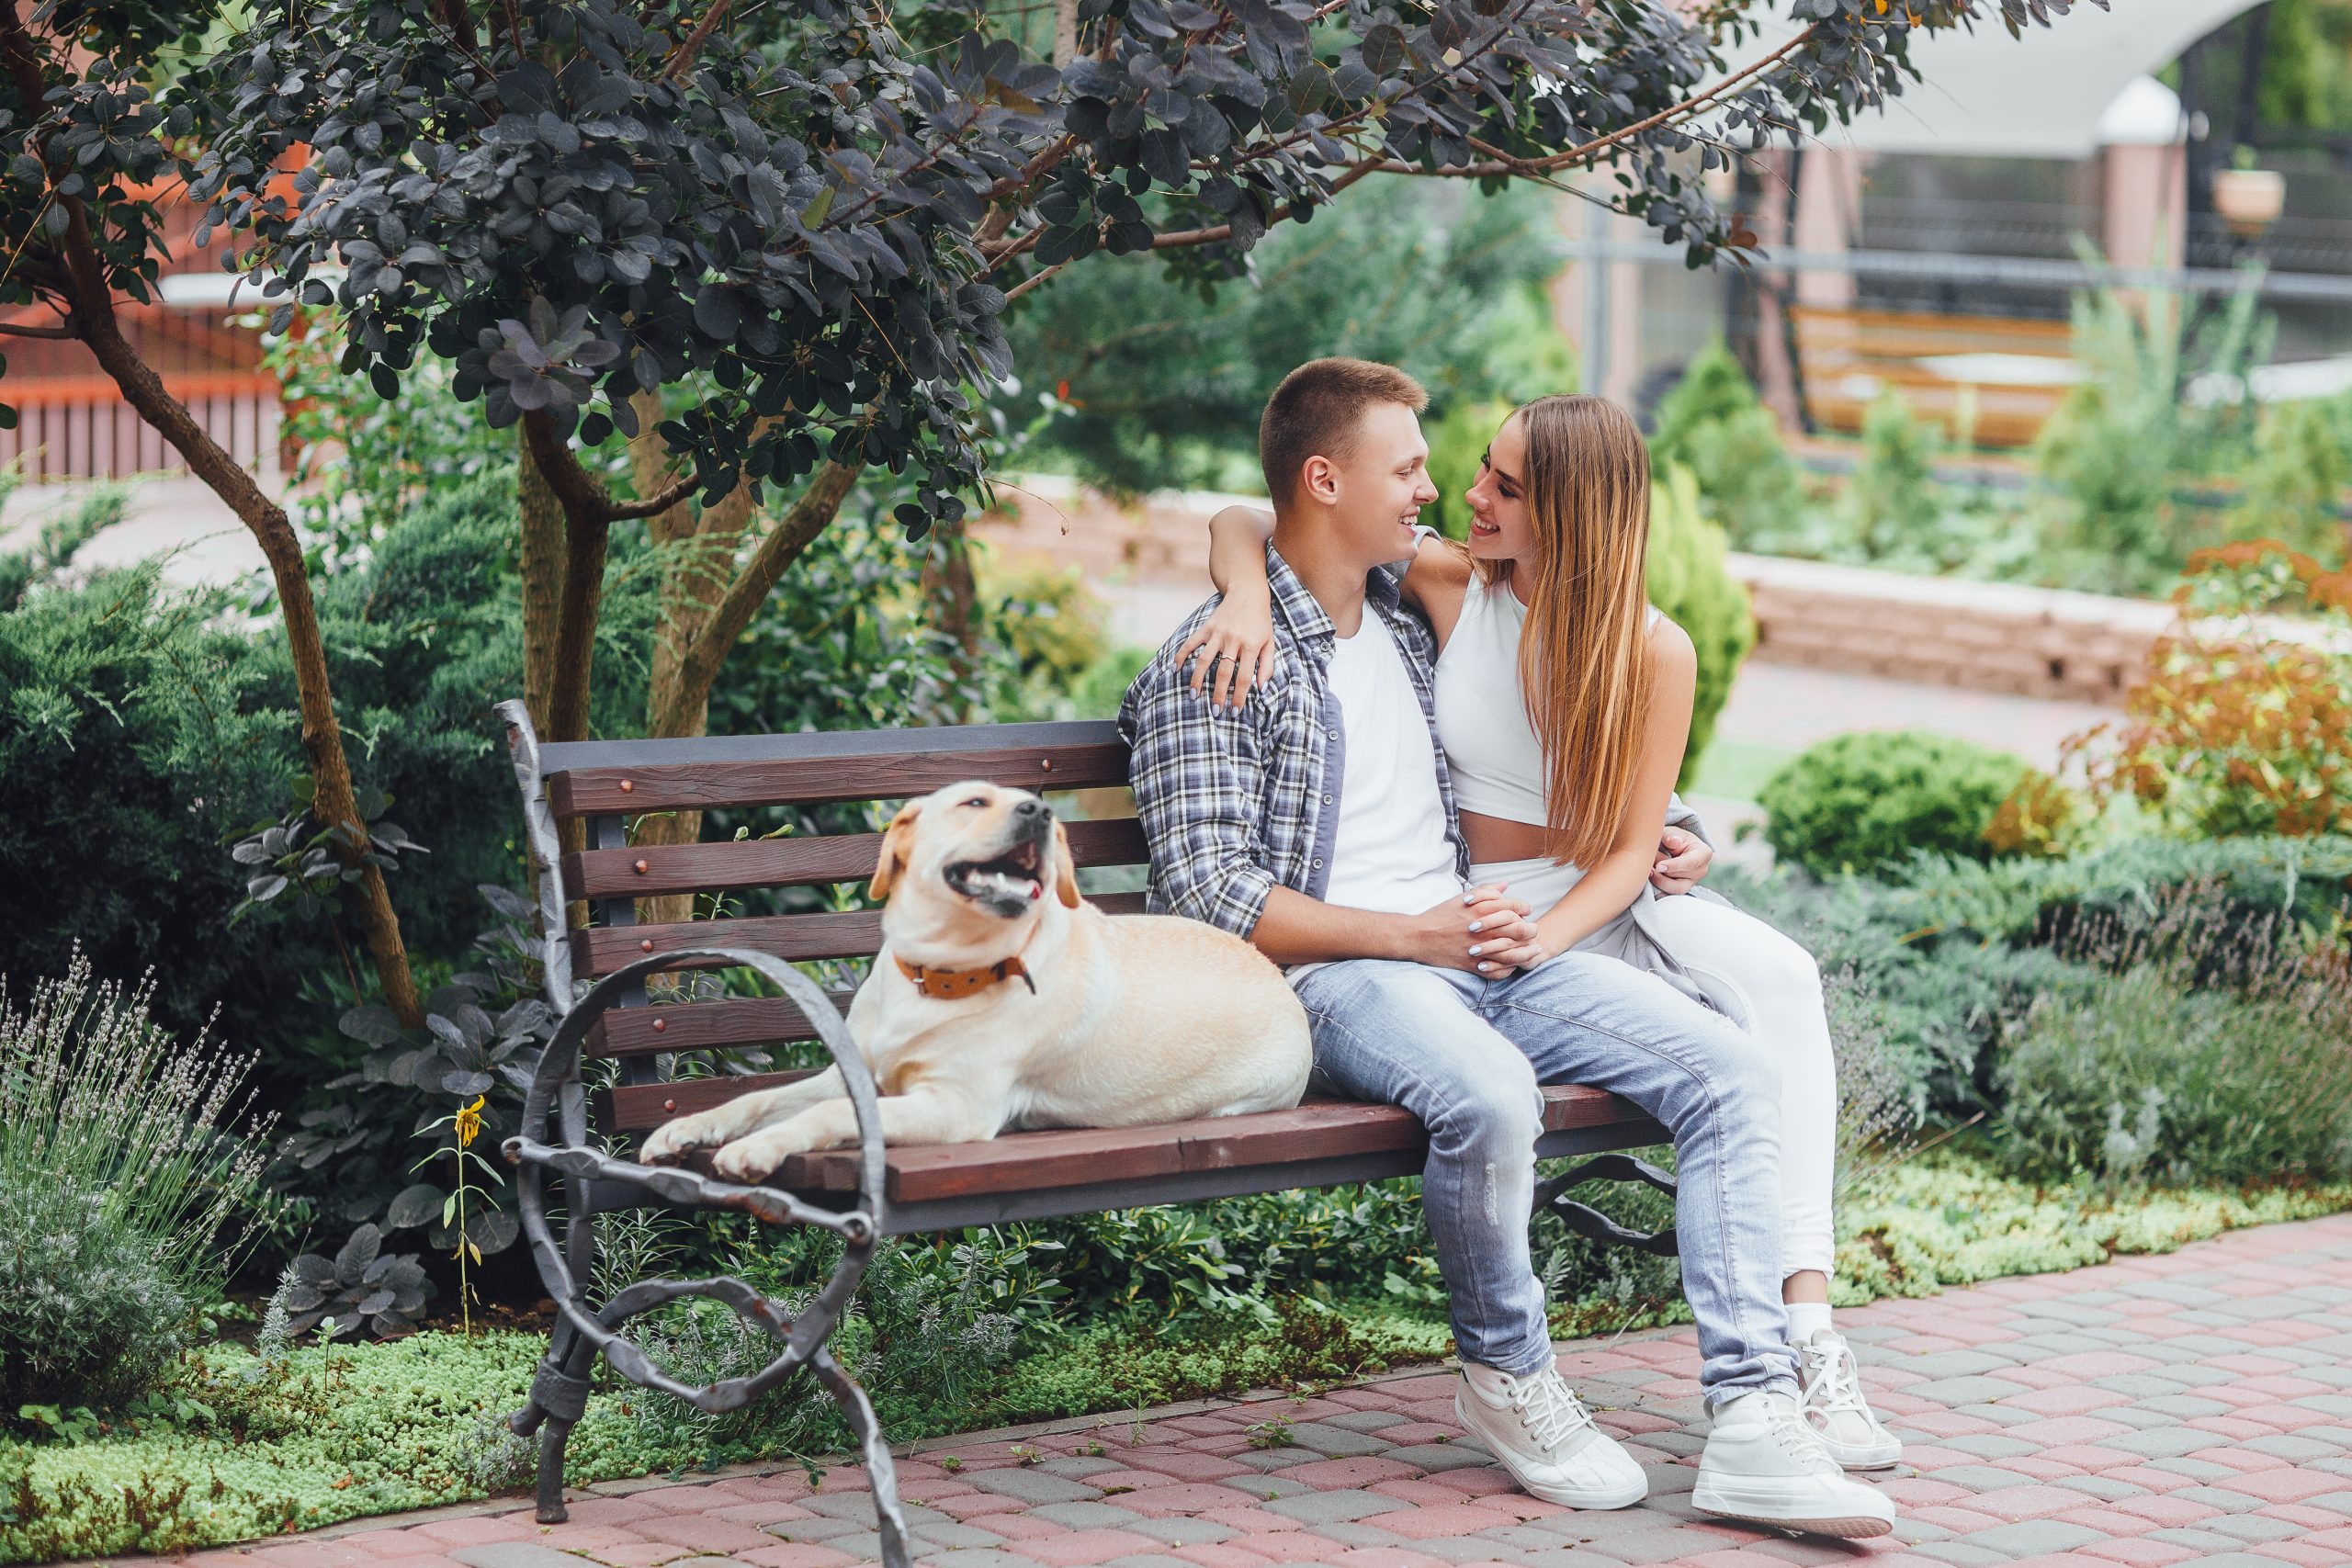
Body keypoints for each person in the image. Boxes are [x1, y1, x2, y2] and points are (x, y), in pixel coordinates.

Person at [1116, 358, 1895, 1538]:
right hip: (1350, 977)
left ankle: (1754, 1417)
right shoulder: (1224, 661)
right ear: (1331, 480)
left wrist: (1652, 837)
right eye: (1418, 468)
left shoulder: (1402, 609)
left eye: (1476, 474)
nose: (1443, 491)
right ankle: (1509, 1375)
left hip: (1489, 946)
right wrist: (1415, 931)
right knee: (1486, 1094)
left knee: (1734, 1069)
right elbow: (1211, 893)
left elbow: (1541, 751)